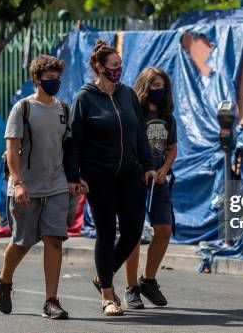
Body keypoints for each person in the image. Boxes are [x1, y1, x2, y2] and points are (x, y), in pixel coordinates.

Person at [66, 40, 156, 316]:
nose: (119, 70)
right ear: (99, 67)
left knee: (132, 231)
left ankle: (102, 275)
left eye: (120, 65)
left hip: (129, 173)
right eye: (114, 66)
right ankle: (107, 295)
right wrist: (74, 176)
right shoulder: (85, 98)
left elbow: (140, 133)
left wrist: (148, 164)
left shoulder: (127, 95)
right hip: (98, 176)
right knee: (105, 231)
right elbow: (74, 142)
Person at [0, 54, 83, 320]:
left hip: (55, 185)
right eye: (49, 78)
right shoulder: (23, 108)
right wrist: (19, 183)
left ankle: (51, 301)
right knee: (22, 242)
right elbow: (12, 149)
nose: (55, 83)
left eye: (58, 78)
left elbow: (68, 148)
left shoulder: (63, 110)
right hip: (26, 188)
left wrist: (75, 178)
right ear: (36, 79)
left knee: (54, 239)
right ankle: (4, 279)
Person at [124, 67, 177, 309]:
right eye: (155, 85)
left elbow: (172, 148)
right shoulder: (135, 114)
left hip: (160, 183)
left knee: (164, 229)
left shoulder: (168, 117)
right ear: (145, 87)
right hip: (137, 181)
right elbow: (129, 146)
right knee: (133, 236)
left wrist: (164, 170)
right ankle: (131, 287)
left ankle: (148, 279)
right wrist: (143, 170)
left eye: (162, 85)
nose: (160, 90)